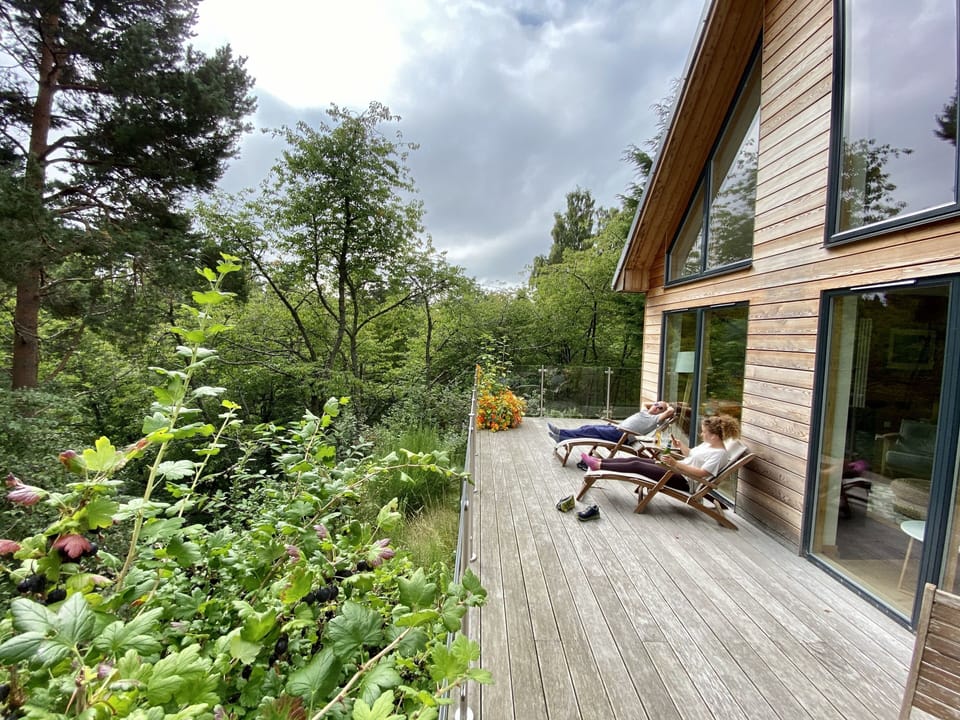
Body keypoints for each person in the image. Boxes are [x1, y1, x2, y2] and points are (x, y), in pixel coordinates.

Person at [578, 414, 739, 492]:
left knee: (636, 465)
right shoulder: (709, 445)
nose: (702, 435)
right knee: (636, 459)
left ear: (715, 435)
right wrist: (680, 445)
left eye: (704, 432)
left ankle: (598, 465)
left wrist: (675, 464)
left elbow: (702, 473)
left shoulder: (720, 454)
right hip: (676, 470)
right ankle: (598, 463)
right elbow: (691, 455)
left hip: (683, 480)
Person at [547, 401, 675, 443]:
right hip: (617, 429)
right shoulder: (645, 412)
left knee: (590, 431)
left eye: (660, 407)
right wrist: (657, 404)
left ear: (660, 412)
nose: (656, 406)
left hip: (622, 436)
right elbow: (645, 403)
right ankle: (561, 435)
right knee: (587, 427)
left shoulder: (655, 419)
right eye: (656, 404)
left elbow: (670, 411)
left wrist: (667, 405)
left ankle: (561, 435)